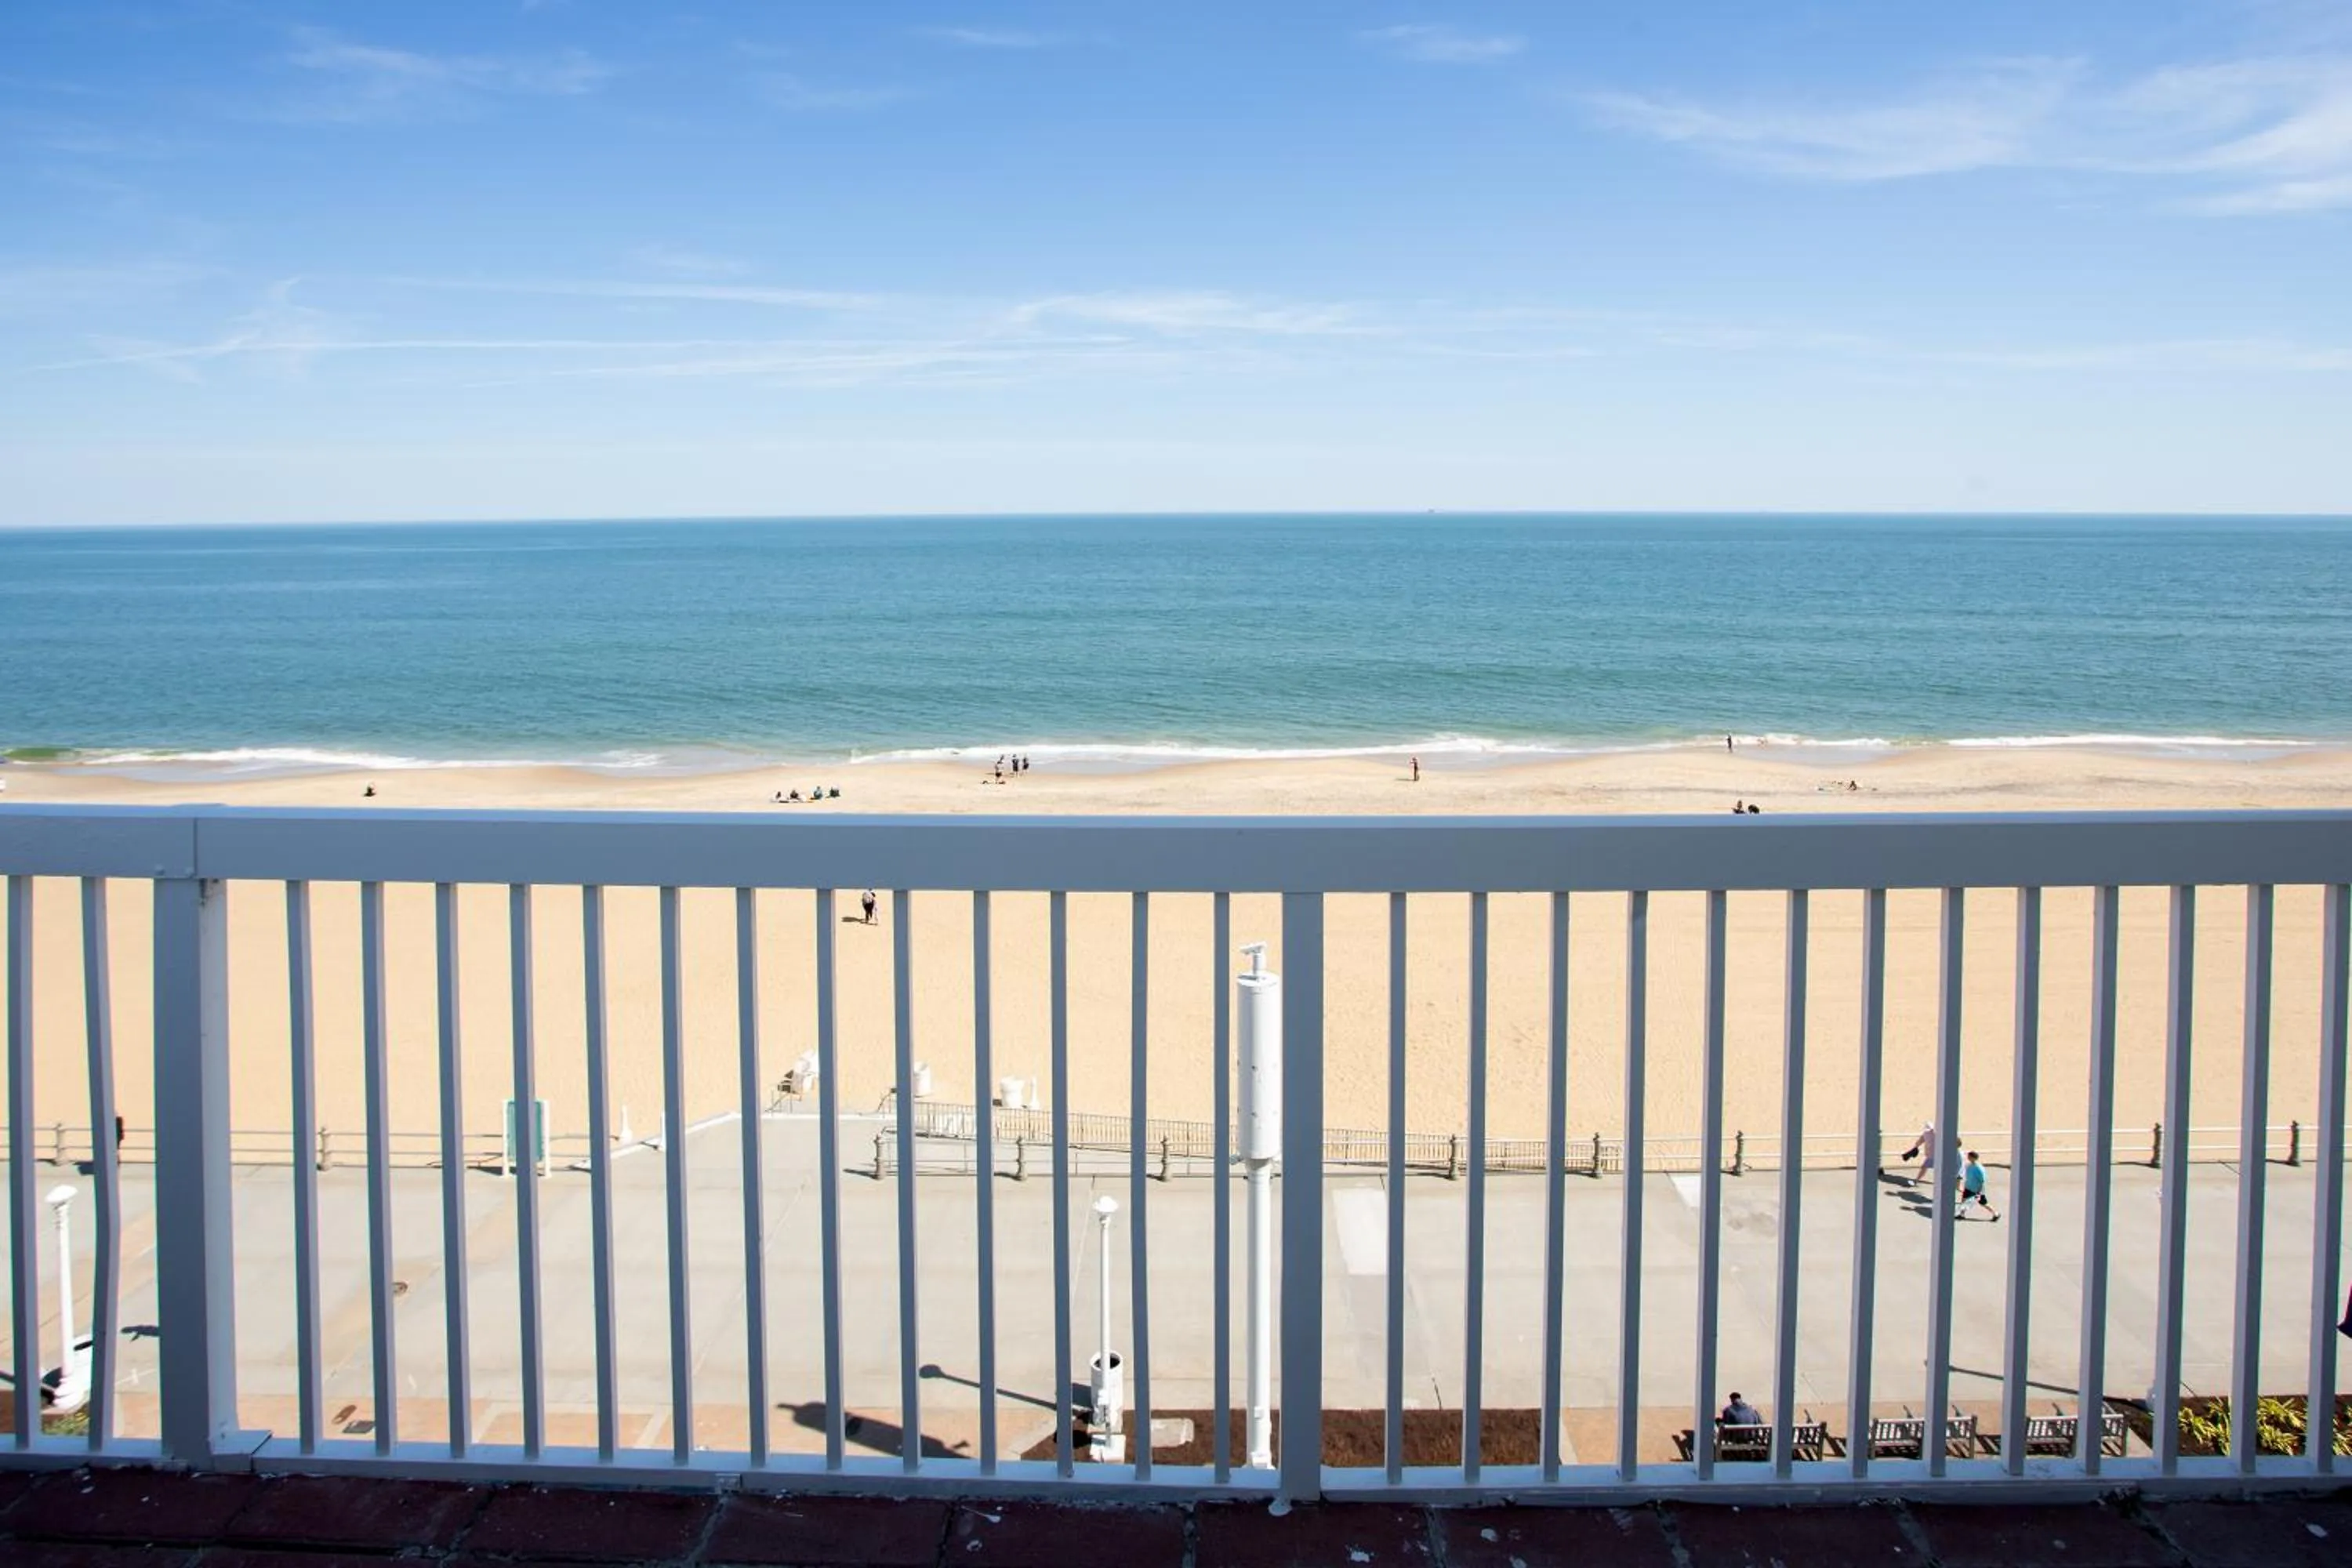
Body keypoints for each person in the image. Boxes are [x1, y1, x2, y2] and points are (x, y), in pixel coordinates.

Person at [1957, 1151, 1999, 1221]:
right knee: (1964, 1200)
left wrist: (1980, 1191)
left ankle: (1996, 1214)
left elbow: (1982, 1180)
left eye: (1969, 1157)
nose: (1968, 1158)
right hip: (1968, 1187)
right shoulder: (1969, 1165)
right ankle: (1962, 1214)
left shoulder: (1979, 1168)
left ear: (1973, 1158)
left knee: (1983, 1203)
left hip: (1976, 1189)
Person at [1903, 1121, 1937, 1187]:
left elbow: (1919, 1142)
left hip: (1934, 1155)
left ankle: (1916, 1181)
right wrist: (1915, 1148)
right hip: (1931, 1155)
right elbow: (1919, 1142)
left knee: (1925, 1168)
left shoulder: (1934, 1134)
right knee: (1924, 1168)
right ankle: (1916, 1181)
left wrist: (1916, 1147)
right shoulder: (1928, 1134)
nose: (1930, 1131)